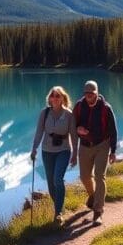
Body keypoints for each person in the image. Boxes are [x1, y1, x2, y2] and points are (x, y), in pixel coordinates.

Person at [30, 86, 78, 225]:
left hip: (63, 150)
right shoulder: (44, 113)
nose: (55, 98)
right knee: (51, 184)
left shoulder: (69, 115)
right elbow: (39, 132)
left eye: (58, 96)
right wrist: (34, 149)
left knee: (58, 178)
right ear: (49, 98)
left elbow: (74, 136)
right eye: (53, 95)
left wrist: (75, 153)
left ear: (63, 98)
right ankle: (60, 207)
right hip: (47, 152)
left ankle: (58, 214)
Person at [74, 80, 118, 226]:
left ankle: (98, 212)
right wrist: (78, 129)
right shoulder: (79, 106)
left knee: (100, 176)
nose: (89, 97)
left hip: (102, 145)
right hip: (85, 146)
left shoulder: (105, 108)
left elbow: (113, 130)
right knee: (84, 176)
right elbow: (73, 125)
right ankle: (93, 196)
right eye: (86, 94)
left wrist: (113, 151)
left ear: (97, 93)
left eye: (91, 94)